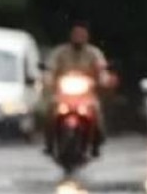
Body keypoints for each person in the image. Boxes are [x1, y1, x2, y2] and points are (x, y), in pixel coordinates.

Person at [44, 21, 112, 157]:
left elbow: (102, 69)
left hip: (86, 94)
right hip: (63, 94)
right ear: (71, 35)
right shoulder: (60, 52)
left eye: (82, 34)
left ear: (87, 36)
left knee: (96, 111)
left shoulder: (94, 53)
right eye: (76, 34)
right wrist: (47, 79)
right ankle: (49, 142)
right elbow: (50, 68)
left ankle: (96, 142)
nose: (78, 37)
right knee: (51, 109)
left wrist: (104, 79)